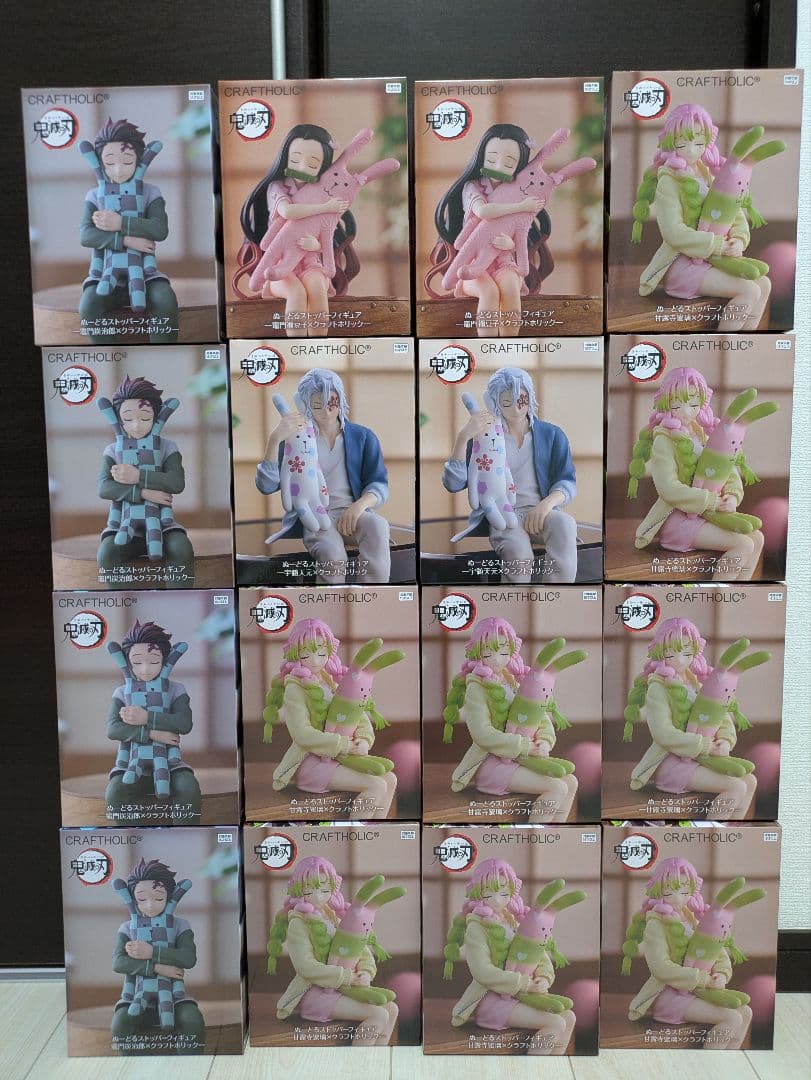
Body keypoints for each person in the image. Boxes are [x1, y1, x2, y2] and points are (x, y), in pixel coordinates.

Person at [631, 103, 771, 332]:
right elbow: (673, 232)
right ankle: (723, 345)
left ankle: (745, 342)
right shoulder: (668, 180)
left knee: (764, 284)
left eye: (698, 143)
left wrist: (738, 239)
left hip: (714, 260)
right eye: (682, 143)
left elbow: (733, 212)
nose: (691, 150)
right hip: (682, 265)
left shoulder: (709, 172)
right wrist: (716, 245)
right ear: (671, 141)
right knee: (749, 290)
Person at [627, 366, 764, 580]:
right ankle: (719, 595)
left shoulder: (704, 434)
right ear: (666, 403)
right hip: (678, 521)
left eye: (693, 405)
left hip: (708, 515)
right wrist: (710, 500)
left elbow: (728, 470)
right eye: (677, 405)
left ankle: (739, 592)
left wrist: (732, 496)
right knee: (743, 544)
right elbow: (667, 488)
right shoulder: (664, 440)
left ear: (702, 403)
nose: (686, 412)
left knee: (758, 538)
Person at [443, 366, 578, 583]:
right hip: (503, 514)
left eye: (522, 400)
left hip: (540, 513)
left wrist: (546, 504)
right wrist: (463, 437)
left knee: (565, 523)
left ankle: (557, 595)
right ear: (495, 402)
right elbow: (454, 483)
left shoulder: (552, 434)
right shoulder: (485, 436)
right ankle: (515, 600)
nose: (516, 409)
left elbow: (567, 480)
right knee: (519, 554)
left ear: (530, 397)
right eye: (507, 403)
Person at [257, 368, 391, 583]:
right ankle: (330, 599)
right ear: (306, 405)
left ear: (341, 399)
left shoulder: (363, 436)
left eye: (332, 403)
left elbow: (378, 483)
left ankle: (373, 595)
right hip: (314, 514)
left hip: (352, 513)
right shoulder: (296, 438)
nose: (326, 412)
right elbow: (267, 485)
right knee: (333, 555)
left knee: (378, 526)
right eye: (317, 406)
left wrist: (359, 506)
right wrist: (275, 440)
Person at [442, 617, 577, 823]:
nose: (497, 659)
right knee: (556, 787)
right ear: (477, 652)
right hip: (491, 764)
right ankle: (535, 837)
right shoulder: (476, 687)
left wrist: (544, 741)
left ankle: (555, 834)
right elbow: (481, 734)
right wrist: (525, 746)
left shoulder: (516, 680)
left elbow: (540, 717)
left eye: (504, 653)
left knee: (571, 781)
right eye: (488, 653)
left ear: (513, 651)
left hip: (523, 759)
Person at [425, 123, 554, 336]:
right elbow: (484, 211)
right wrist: (521, 206)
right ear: (481, 157)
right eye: (492, 160)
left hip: (504, 261)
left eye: (509, 162)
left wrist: (511, 244)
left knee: (511, 289)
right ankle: (488, 343)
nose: (499, 167)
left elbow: (520, 231)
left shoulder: (520, 191)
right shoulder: (472, 187)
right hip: (474, 262)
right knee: (489, 291)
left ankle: (509, 342)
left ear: (519, 166)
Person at [622, 617, 757, 818]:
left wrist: (725, 741)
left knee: (750, 781)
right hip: (672, 763)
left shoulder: (699, 682)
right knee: (736, 786)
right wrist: (704, 745)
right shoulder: (658, 687)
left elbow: (722, 717)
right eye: (671, 653)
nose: (680, 660)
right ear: (660, 652)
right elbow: (662, 733)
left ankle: (731, 831)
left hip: (703, 759)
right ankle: (710, 834)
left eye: (687, 653)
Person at [263, 619, 397, 818]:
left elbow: (358, 715)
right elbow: (301, 733)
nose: (315, 661)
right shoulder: (295, 688)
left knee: (390, 779)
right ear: (295, 653)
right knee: (376, 785)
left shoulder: (333, 680)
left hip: (343, 759)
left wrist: (363, 740)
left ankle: (376, 831)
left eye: (321, 654)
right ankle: (356, 833)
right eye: (306, 655)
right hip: (313, 763)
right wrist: (342, 744)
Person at [442, 858, 576, 1054]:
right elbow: (482, 971)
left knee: (569, 1017)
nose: (497, 900)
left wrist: (543, 978)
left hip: (522, 996)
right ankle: (535, 1069)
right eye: (489, 893)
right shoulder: (476, 926)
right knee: (555, 1022)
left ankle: (554, 1067)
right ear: (478, 892)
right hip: (492, 1000)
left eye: (504, 893)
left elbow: (539, 954)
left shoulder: (515, 919)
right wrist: (524, 983)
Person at [237, 124, 359, 336]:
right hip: (281, 262)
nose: (302, 167)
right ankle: (297, 344)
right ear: (285, 158)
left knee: (318, 289)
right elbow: (287, 211)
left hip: (311, 262)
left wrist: (317, 245)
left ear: (323, 166)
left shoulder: (326, 190)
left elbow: (326, 230)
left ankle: (318, 343)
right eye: (295, 160)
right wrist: (324, 207)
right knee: (296, 293)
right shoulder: (278, 187)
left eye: (312, 163)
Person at [620, 857, 752, 1049]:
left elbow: (718, 952)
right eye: (669, 892)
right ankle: (710, 1063)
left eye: (684, 892)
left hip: (699, 992)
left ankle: (730, 1060)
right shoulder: (656, 924)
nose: (678, 898)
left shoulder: (695, 917)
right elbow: (660, 967)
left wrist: (722, 975)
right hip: (669, 995)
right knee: (731, 1018)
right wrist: (702, 979)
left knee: (746, 1012)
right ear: (657, 889)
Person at [266, 856, 399, 1046]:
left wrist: (365, 972)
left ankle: (377, 1059)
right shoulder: (298, 923)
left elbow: (361, 949)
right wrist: (346, 977)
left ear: (333, 888)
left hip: (344, 990)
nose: (319, 896)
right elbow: (305, 966)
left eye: (324, 889)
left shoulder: (335, 917)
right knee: (378, 1015)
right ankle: (359, 1062)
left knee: (392, 1009)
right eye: (309, 890)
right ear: (298, 889)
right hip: (315, 994)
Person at [79, 118, 179, 343]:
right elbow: (86, 235)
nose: (118, 169)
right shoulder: (95, 195)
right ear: (100, 163)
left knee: (165, 299)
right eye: (110, 162)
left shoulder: (151, 192)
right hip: (104, 274)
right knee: (89, 304)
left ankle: (163, 353)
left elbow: (159, 230)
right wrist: (126, 240)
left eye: (127, 161)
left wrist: (120, 222)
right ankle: (109, 356)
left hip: (145, 273)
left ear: (139, 161)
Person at [97, 375, 195, 588]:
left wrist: (138, 476)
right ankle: (124, 601)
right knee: (107, 552)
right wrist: (142, 493)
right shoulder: (113, 450)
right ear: (119, 419)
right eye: (128, 419)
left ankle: (179, 599)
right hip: (124, 523)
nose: (136, 426)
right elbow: (104, 488)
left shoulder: (167, 447)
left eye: (144, 418)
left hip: (162, 522)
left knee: (181, 548)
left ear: (157, 417)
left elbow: (176, 483)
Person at [105, 620, 202, 823]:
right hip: (130, 763)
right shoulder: (122, 692)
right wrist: (151, 734)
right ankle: (132, 836)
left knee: (188, 787)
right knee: (115, 792)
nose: (145, 669)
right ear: (128, 662)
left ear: (165, 660)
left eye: (154, 662)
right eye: (137, 663)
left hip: (170, 763)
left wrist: (146, 717)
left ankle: (185, 834)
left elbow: (184, 723)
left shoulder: (176, 689)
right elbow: (113, 729)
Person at [112, 858, 205, 1055]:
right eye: (142, 899)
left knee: (192, 1020)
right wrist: (156, 967)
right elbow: (119, 963)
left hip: (174, 995)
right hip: (135, 995)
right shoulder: (127, 927)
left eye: (158, 898)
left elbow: (189, 958)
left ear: (169, 897)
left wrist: (152, 952)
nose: (150, 906)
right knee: (120, 1023)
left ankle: (191, 1066)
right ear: (133, 898)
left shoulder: (180, 925)